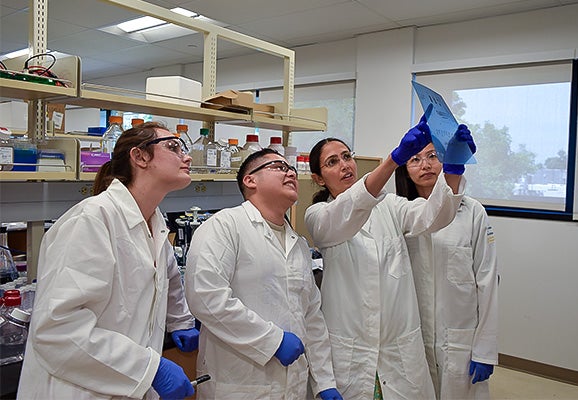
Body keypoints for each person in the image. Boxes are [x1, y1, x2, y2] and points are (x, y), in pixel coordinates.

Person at [17, 122, 199, 400]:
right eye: (173, 147)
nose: (186, 157)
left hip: (124, 383)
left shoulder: (154, 221)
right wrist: (150, 369)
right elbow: (58, 330)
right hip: (77, 388)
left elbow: (167, 279)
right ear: (139, 157)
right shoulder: (91, 220)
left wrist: (181, 322)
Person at [304, 115, 475, 400]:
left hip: (399, 348)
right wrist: (393, 160)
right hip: (351, 351)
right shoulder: (319, 216)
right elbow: (348, 212)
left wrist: (454, 170)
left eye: (347, 156)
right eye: (332, 162)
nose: (344, 164)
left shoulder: (390, 205)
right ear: (318, 178)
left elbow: (432, 217)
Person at [184, 148, 341, 400]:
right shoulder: (225, 226)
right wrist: (273, 341)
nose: (289, 172)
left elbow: (311, 316)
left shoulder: (298, 243)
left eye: (290, 168)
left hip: (293, 386)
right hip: (239, 384)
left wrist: (324, 381)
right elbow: (206, 296)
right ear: (250, 180)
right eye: (279, 167)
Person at [395, 141, 498, 399]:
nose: (426, 165)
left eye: (432, 156)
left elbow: (487, 281)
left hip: (460, 340)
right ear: (405, 170)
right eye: (415, 159)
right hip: (414, 338)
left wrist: (484, 348)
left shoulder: (472, 211)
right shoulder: (399, 215)